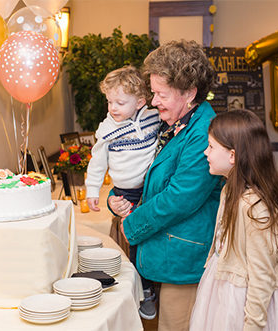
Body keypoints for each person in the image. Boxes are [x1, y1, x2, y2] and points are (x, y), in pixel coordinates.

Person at [109, 39, 222, 331]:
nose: (154, 101)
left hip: (185, 256)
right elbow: (141, 168)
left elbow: (180, 198)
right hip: (167, 247)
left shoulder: (203, 131)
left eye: (161, 94)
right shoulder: (175, 120)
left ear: (189, 93)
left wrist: (133, 223)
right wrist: (117, 194)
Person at [189, 110, 278, 330]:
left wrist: (253, 325)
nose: (205, 152)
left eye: (211, 147)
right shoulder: (229, 189)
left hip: (242, 300)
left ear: (232, 155)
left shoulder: (254, 207)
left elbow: (262, 275)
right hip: (221, 287)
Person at [84, 65, 161, 319]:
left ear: (140, 101)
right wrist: (93, 190)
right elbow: (97, 162)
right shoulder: (107, 129)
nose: (113, 108)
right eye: (109, 102)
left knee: (153, 238)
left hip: (150, 190)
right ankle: (144, 289)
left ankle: (152, 282)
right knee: (134, 240)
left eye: (119, 102)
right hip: (125, 192)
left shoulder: (154, 117)